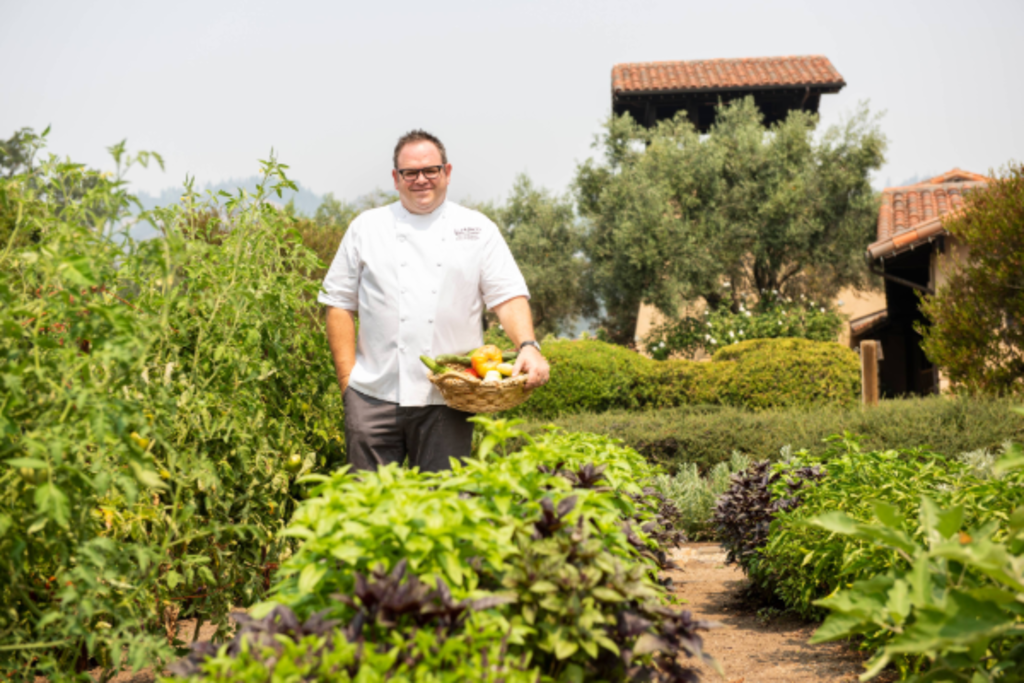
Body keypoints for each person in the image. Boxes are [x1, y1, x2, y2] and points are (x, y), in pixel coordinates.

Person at [318, 129, 550, 473]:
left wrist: (528, 345)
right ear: (396, 179)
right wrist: (348, 384)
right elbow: (338, 304)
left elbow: (508, 296)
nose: (421, 180)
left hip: (449, 398)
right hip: (372, 396)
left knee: (448, 507)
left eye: (431, 170)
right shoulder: (366, 228)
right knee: (368, 510)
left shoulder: (477, 229)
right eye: (410, 173)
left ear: (448, 172)